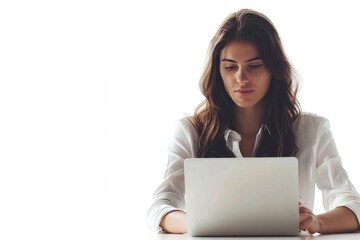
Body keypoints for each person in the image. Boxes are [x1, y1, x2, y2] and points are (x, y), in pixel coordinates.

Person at [146, 8, 360, 234]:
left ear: (274, 69)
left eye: (254, 65)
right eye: (230, 67)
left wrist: (316, 222)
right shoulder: (190, 131)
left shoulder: (312, 131)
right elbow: (159, 207)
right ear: (218, 72)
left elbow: (353, 205)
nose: (241, 78)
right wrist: (197, 221)